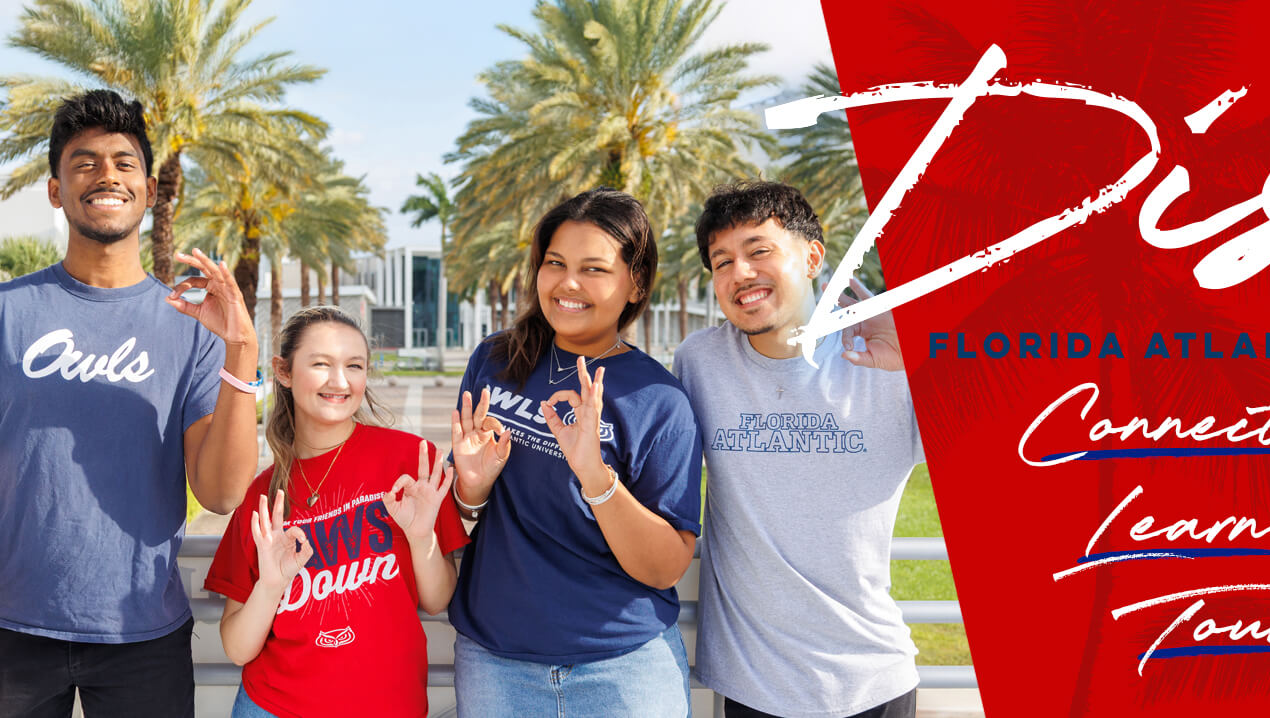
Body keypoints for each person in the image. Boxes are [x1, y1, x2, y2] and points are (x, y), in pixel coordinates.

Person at [0, 90, 260, 718]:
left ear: (149, 191)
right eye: (84, 163)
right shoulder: (8, 312)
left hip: (143, 632)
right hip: (10, 629)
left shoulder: (192, 327)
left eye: (123, 163)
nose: (106, 175)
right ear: (57, 191)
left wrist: (242, 349)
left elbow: (222, 492)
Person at [446, 188, 702, 717]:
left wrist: (594, 474)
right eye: (555, 263)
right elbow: (459, 512)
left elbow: (665, 567)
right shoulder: (494, 361)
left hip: (624, 669)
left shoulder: (658, 399)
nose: (568, 283)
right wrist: (471, 487)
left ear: (635, 284)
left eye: (594, 269)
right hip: (496, 662)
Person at [676, 180, 922, 718]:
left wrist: (934, 358)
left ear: (813, 258)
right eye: (722, 262)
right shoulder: (699, 362)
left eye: (759, 251)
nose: (740, 273)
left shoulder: (894, 366)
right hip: (752, 686)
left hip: (873, 682)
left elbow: (1022, 450)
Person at [203, 306, 468, 718]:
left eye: (354, 366)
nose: (340, 381)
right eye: (321, 364)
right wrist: (271, 586)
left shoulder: (410, 462)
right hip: (273, 708)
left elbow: (437, 600)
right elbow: (237, 648)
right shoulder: (263, 494)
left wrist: (421, 538)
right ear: (284, 372)